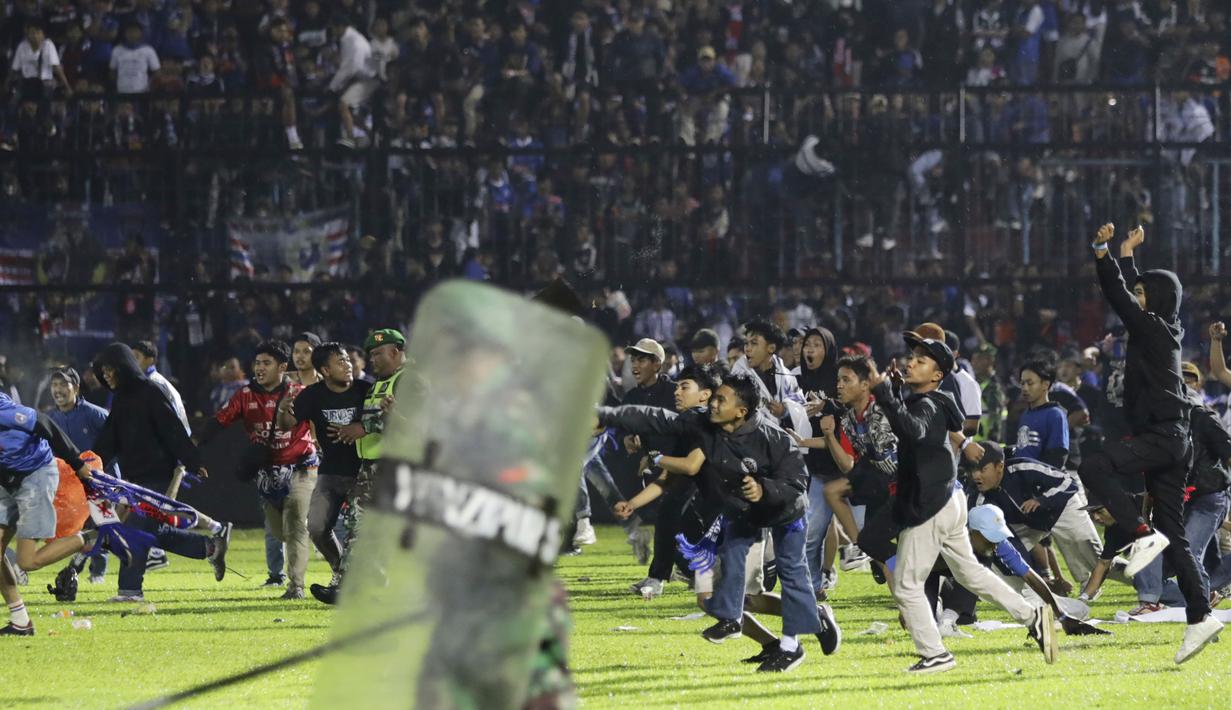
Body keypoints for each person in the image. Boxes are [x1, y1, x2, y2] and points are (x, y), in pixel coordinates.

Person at [597, 373, 837, 673]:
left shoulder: (769, 437)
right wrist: (607, 415)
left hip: (780, 513)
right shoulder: (700, 423)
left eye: (717, 398)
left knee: (763, 584)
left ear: (740, 410)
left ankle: (790, 642)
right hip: (738, 514)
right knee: (718, 594)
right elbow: (655, 418)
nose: (711, 403)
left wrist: (764, 489)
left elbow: (796, 481)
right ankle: (756, 631)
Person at [867, 333, 1055, 673]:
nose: (911, 362)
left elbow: (913, 431)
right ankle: (1033, 616)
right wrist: (894, 392)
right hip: (949, 499)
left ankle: (935, 654)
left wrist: (884, 393)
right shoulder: (935, 400)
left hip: (931, 504)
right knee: (970, 574)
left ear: (938, 374)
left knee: (908, 585)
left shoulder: (926, 404)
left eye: (922, 360)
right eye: (912, 356)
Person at [1081, 223, 1220, 663]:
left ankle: (1141, 536)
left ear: (1156, 300)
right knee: (1174, 533)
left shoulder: (1156, 330)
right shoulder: (1162, 328)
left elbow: (1119, 298)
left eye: (1144, 293)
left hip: (1162, 436)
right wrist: (1126, 254)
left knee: (1095, 465)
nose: (1137, 299)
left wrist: (1103, 252)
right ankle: (1200, 616)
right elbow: (1130, 297)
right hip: (1170, 437)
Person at [88, 344, 229, 603]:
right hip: (135, 478)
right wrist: (91, 463)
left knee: (135, 530)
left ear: (123, 367)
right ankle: (210, 547)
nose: (106, 375)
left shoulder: (151, 392)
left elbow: (172, 429)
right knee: (155, 532)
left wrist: (192, 459)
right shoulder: (120, 398)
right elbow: (110, 439)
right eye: (103, 371)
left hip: (157, 476)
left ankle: (130, 591)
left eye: (110, 370)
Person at [198, 340, 317, 600]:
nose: (260, 368)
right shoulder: (245, 395)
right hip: (267, 473)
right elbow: (220, 420)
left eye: (267, 363)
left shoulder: (300, 393)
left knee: (296, 523)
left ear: (282, 367)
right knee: (279, 532)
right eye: (257, 363)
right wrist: (194, 444)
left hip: (301, 466)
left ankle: (295, 586)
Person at [313, 328, 407, 604]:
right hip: (371, 466)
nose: (371, 359)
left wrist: (363, 427)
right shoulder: (380, 382)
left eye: (378, 353)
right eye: (371, 354)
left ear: (396, 351)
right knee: (360, 526)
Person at [1131, 361, 1231, 612]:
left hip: (1209, 496)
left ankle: (1201, 596)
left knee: (1189, 552)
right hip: (1175, 500)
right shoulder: (1158, 423)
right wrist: (1146, 509)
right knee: (1146, 562)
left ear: (1198, 384)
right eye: (1179, 380)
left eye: (1189, 380)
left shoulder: (1204, 416)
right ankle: (1155, 601)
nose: (1184, 385)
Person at [277, 342, 369, 594]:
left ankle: (353, 581)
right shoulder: (312, 395)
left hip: (365, 473)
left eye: (348, 360)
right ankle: (343, 573)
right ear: (325, 371)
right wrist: (282, 410)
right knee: (317, 527)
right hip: (332, 472)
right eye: (340, 362)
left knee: (360, 530)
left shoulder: (366, 389)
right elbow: (287, 425)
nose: (348, 365)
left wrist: (361, 428)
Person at [0, 392, 93, 635]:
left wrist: (77, 463)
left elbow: (44, 422)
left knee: (27, 561)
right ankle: (20, 621)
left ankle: (90, 537)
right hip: (6, 480)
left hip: (35, 475)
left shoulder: (2, 411)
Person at [967, 442, 1102, 585]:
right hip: (1029, 522)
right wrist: (1033, 576)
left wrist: (1043, 500)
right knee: (992, 547)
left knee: (1096, 559)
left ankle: (1125, 575)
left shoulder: (1021, 467)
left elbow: (1068, 481)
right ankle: (1032, 598)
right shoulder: (979, 497)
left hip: (1062, 508)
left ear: (999, 466)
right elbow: (1006, 545)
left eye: (982, 470)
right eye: (973, 470)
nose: (976, 476)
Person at [46, 367, 114, 583]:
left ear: (75, 387)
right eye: (54, 385)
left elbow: (117, 441)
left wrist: (108, 476)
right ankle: (80, 560)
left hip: (98, 483)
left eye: (62, 385)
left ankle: (98, 573)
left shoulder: (94, 414)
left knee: (103, 524)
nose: (58, 390)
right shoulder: (50, 418)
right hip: (69, 487)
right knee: (78, 529)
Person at [328, 14, 376, 148]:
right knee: (345, 108)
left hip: (368, 80)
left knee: (343, 104)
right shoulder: (347, 38)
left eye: (333, 28)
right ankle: (369, 132)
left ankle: (350, 139)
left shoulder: (354, 41)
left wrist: (333, 86)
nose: (332, 31)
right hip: (357, 80)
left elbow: (351, 67)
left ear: (340, 27)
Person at [1014, 358, 1071, 468]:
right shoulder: (1026, 414)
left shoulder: (1055, 415)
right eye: (1022, 383)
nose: (1025, 388)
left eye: (1030, 383)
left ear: (1045, 384)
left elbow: (1057, 457)